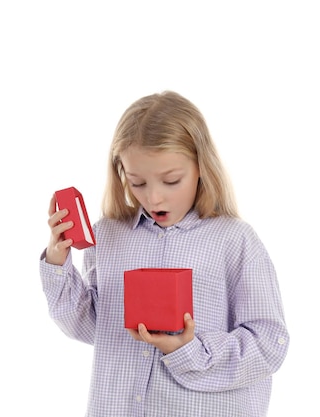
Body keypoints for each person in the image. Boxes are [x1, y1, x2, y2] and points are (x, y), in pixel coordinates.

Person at [39, 91, 289, 416]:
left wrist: (190, 350)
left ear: (201, 166)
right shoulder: (109, 235)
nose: (154, 198)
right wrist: (58, 263)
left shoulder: (235, 240)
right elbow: (92, 328)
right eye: (137, 182)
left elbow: (270, 345)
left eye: (171, 180)